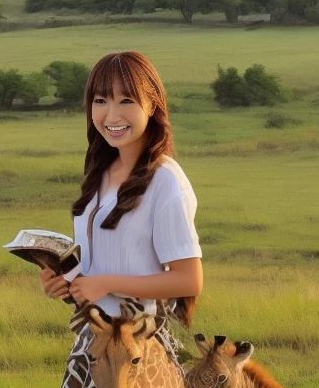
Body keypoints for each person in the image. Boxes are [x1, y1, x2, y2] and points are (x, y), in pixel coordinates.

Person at [40, 50, 202, 336]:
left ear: (152, 105)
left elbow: (189, 281)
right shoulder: (99, 173)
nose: (112, 115)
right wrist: (66, 283)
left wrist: (107, 283)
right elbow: (101, 265)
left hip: (140, 343)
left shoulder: (165, 181)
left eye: (126, 100)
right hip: (92, 339)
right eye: (100, 101)